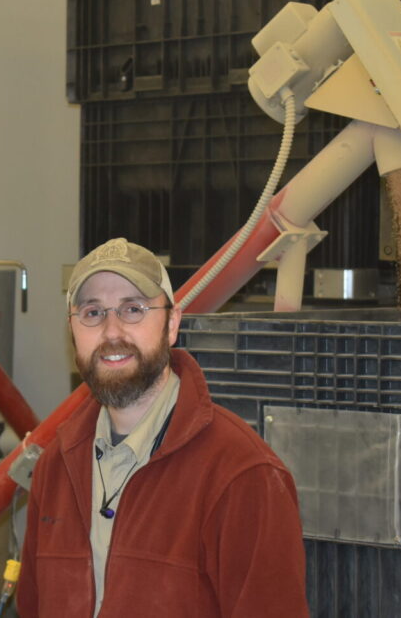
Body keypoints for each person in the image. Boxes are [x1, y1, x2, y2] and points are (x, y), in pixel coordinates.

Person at [17, 238, 308, 617]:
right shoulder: (57, 465)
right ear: (72, 329)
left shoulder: (241, 473)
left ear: (171, 324)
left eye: (133, 309)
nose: (111, 332)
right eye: (92, 313)